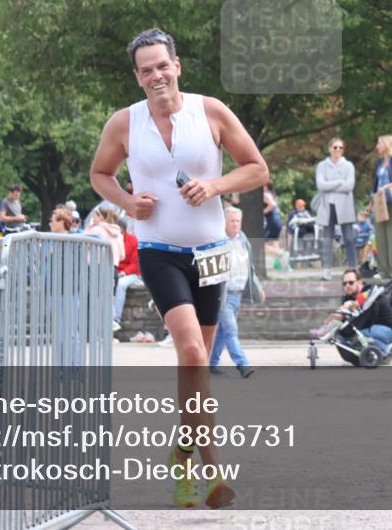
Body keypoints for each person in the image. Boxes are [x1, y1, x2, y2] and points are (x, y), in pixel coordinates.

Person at [89, 28, 268, 508]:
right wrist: (128, 201)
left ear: (177, 65)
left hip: (211, 252)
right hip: (159, 251)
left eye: (161, 66)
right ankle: (212, 469)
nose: (155, 76)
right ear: (137, 76)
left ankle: (182, 457)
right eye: (146, 70)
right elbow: (99, 173)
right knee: (190, 351)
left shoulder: (209, 111)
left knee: (199, 367)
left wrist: (213, 186)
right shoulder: (124, 123)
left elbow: (257, 168)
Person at [210, 207, 264, 378]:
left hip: (238, 294)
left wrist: (257, 286)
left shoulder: (243, 239)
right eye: (232, 221)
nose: (236, 224)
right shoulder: (218, 240)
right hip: (223, 295)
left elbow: (251, 267)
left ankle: (211, 363)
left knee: (222, 331)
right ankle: (243, 365)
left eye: (238, 221)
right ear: (224, 222)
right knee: (231, 330)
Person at [315, 137, 357, 279]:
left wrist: (330, 185)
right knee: (327, 239)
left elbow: (350, 186)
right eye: (335, 147)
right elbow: (321, 185)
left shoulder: (348, 165)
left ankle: (353, 268)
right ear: (329, 149)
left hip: (345, 206)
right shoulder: (322, 165)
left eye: (341, 148)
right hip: (328, 206)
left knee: (349, 237)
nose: (338, 150)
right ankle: (326, 269)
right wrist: (339, 182)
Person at [366, 135, 392, 276]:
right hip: (379, 203)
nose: (377, 146)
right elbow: (375, 184)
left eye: (379, 143)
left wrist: (386, 187)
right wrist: (371, 203)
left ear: (386, 144)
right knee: (380, 236)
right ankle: (383, 270)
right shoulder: (379, 163)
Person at [112, 221, 143, 332]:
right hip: (115, 272)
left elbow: (135, 264)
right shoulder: (112, 239)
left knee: (120, 284)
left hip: (132, 274)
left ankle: (116, 319)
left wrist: (123, 273)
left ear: (124, 230)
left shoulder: (133, 241)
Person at [262, 183, 283, 247]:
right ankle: (279, 255)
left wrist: (262, 212)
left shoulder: (265, 194)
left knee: (265, 244)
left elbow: (273, 205)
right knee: (273, 242)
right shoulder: (271, 194)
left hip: (272, 221)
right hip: (277, 220)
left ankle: (281, 254)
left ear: (265, 186)